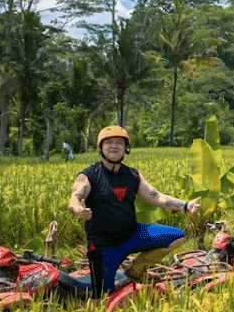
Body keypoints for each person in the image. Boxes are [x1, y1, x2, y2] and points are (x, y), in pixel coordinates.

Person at [67, 125, 201, 297]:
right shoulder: (89, 175)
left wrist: (186, 205)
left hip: (133, 235)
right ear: (100, 148)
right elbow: (76, 197)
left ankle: (135, 271)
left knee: (176, 236)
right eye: (109, 142)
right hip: (104, 246)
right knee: (102, 298)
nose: (114, 146)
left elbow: (156, 197)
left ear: (126, 148)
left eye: (119, 142)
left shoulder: (132, 175)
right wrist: (78, 209)